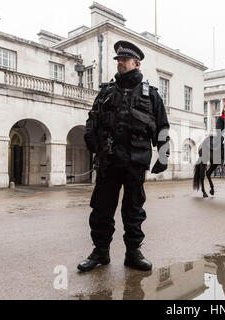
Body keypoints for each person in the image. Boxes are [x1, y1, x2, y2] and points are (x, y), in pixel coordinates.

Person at [78, 41, 170, 273]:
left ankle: (133, 253)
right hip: (108, 161)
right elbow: (92, 119)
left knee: (134, 211)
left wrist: (163, 155)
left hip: (135, 162)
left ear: (136, 63)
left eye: (124, 60)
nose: (119, 63)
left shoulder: (152, 95)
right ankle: (100, 252)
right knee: (101, 209)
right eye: (118, 60)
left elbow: (162, 127)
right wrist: (91, 140)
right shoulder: (106, 92)